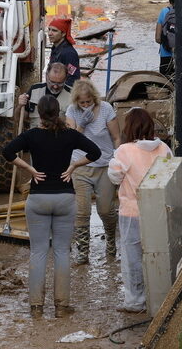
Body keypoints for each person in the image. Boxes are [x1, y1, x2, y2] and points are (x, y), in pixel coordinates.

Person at [2, 95, 102, 319]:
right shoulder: (69, 134)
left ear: (39, 113)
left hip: (38, 198)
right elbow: (95, 153)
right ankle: (62, 306)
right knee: (61, 252)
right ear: (59, 112)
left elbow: (7, 152)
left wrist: (29, 169)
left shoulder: (32, 135)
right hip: (65, 198)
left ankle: (36, 307)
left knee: (38, 252)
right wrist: (74, 165)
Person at [108, 108, 172, 313]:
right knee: (159, 253)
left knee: (133, 257)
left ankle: (136, 301)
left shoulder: (124, 151)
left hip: (131, 212)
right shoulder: (163, 148)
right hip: (158, 212)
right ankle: (161, 296)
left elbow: (114, 177)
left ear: (129, 128)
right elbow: (169, 176)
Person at [65, 78, 121, 264]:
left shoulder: (105, 109)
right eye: (82, 103)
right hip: (80, 166)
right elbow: (71, 139)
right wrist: (82, 123)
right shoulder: (72, 111)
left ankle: (111, 242)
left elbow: (116, 137)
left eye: (89, 102)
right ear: (76, 101)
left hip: (104, 165)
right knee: (81, 211)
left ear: (94, 99)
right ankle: (83, 252)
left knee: (106, 210)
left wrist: (118, 158)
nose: (86, 105)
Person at [18, 63, 74, 130]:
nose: (55, 86)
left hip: (60, 138)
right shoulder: (34, 90)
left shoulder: (72, 95)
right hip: (35, 137)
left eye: (60, 83)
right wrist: (20, 106)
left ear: (66, 79)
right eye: (52, 82)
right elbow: (19, 118)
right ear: (46, 76)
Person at [47, 18, 81, 87]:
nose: (49, 33)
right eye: (49, 29)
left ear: (63, 34)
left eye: (54, 31)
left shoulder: (69, 53)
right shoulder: (55, 49)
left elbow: (73, 79)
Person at [155, 0, 175, 77]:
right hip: (181, 56)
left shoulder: (164, 11)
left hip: (166, 55)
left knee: (165, 84)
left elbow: (158, 38)